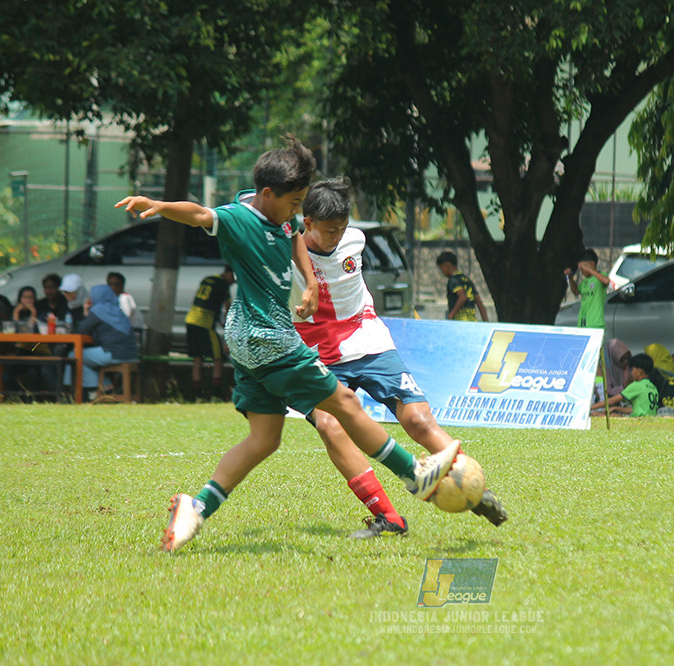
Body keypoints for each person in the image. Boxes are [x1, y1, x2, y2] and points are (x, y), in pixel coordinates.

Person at [115, 136, 460, 553]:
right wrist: (161, 206)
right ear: (267, 194)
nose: (300, 213)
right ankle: (414, 476)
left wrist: (312, 281)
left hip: (244, 341)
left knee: (264, 439)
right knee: (345, 406)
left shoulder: (283, 212)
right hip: (269, 338)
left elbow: (295, 231)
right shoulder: (240, 219)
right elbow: (200, 214)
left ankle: (196, 508)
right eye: (295, 203)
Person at [293, 177, 508, 537]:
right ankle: (387, 516)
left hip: (368, 339)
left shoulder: (356, 240)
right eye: (329, 230)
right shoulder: (286, 249)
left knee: (419, 420)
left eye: (342, 228)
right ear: (307, 223)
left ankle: (474, 486)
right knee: (331, 427)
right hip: (318, 352)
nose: (337, 236)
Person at [62, 284, 139, 401]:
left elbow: (82, 330)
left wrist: (86, 313)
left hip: (114, 353)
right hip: (130, 353)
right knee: (86, 358)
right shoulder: (117, 309)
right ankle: (106, 385)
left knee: (75, 355)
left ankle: (75, 391)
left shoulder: (100, 309)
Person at [185, 266, 235, 401]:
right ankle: (216, 395)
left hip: (191, 319)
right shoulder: (223, 285)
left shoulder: (208, 279)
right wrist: (228, 329)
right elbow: (228, 308)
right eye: (233, 277)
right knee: (218, 358)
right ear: (228, 273)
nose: (233, 281)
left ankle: (198, 396)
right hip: (204, 323)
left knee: (197, 358)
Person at [436, 251, 489, 321]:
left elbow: (463, 297)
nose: (442, 272)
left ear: (447, 265)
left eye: (441, 269)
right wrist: (486, 322)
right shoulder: (468, 281)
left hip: (460, 321)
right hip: (472, 321)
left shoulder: (453, 281)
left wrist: (451, 315)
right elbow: (479, 302)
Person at [564, 249, 610, 328]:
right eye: (580, 269)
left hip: (595, 323)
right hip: (583, 322)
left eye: (583, 268)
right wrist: (570, 277)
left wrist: (589, 270)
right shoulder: (585, 281)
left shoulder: (600, 276)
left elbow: (606, 281)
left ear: (592, 263)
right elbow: (576, 291)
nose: (582, 271)